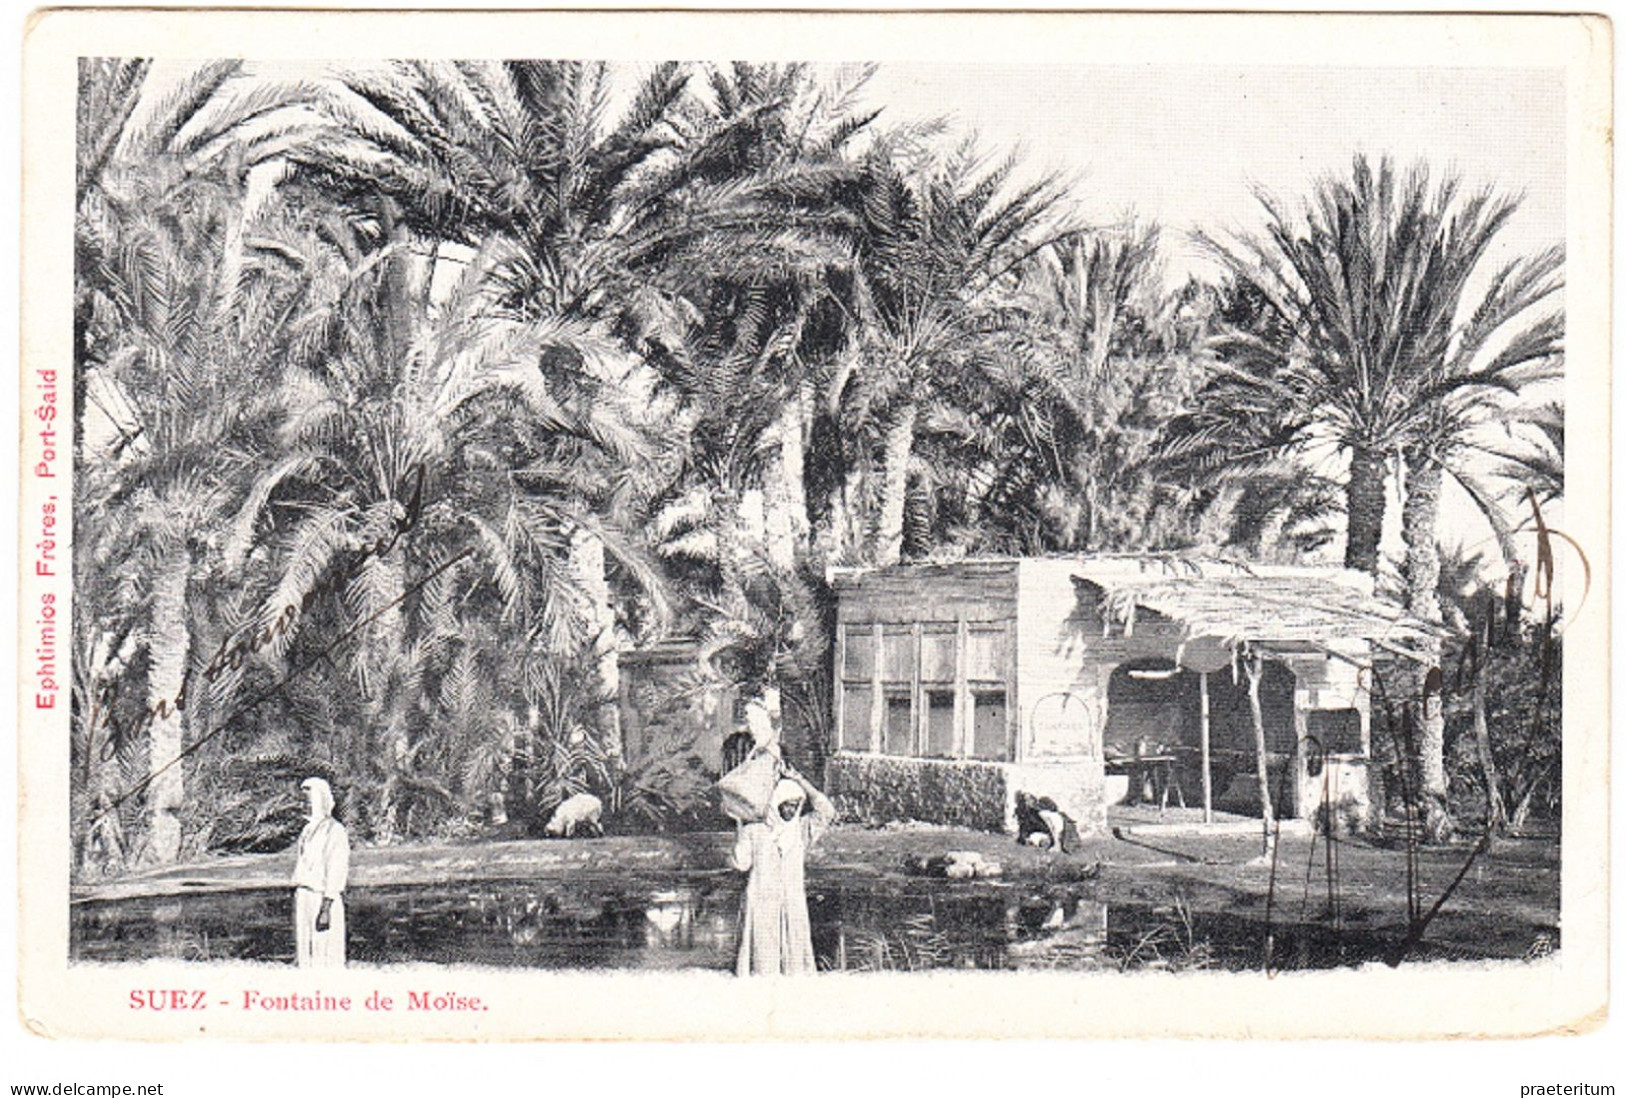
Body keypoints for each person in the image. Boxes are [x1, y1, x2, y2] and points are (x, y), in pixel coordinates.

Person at [730, 759, 835, 977]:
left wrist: (799, 780)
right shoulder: (756, 831)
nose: (791, 810)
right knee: (763, 963)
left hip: (792, 899)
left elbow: (826, 810)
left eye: (796, 806)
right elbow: (741, 864)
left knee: (795, 964)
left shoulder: (801, 830)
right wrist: (740, 827)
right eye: (787, 804)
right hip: (762, 900)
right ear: (776, 803)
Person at [292, 777, 350, 968]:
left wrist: (326, 908)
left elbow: (336, 870)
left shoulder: (334, 830)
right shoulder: (307, 830)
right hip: (304, 896)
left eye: (308, 800)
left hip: (323, 899)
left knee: (324, 951)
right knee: (305, 952)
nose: (304, 805)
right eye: (302, 801)